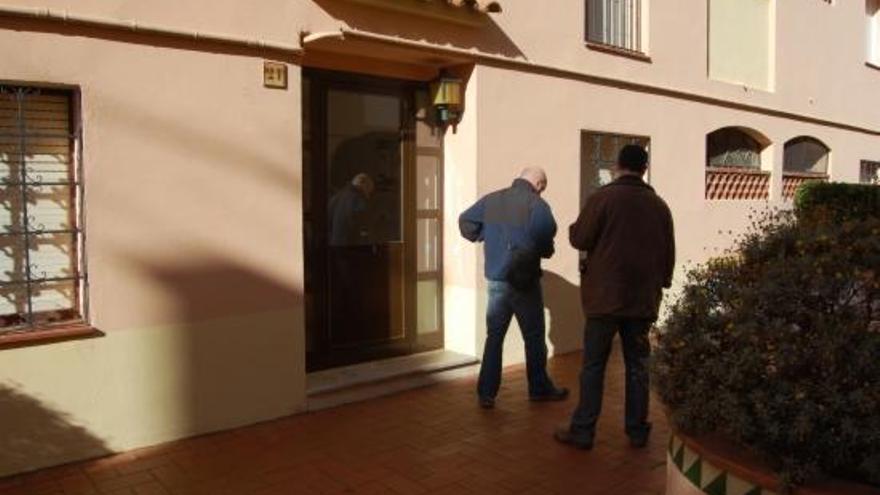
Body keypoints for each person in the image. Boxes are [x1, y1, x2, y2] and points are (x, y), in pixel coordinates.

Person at [555, 144, 675, 450]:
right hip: (641, 301)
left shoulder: (602, 198)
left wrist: (574, 227)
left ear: (618, 165)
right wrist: (661, 284)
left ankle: (583, 431)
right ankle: (637, 430)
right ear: (644, 169)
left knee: (593, 366)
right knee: (638, 366)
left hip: (604, 300)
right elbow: (668, 254)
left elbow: (580, 238)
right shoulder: (659, 206)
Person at [459, 167, 569, 409]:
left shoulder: (493, 199)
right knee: (533, 337)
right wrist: (544, 250)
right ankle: (539, 389)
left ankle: (486, 393)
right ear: (538, 183)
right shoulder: (536, 204)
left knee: (494, 337)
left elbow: (465, 221)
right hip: (524, 282)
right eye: (542, 188)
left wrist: (482, 235)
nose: (541, 192)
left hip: (497, 281)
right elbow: (545, 235)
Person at [328, 173, 374, 247]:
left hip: (335, 244)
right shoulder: (359, 198)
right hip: (351, 245)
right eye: (368, 190)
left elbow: (328, 220)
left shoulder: (337, 196)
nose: (368, 195)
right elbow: (362, 224)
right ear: (363, 185)